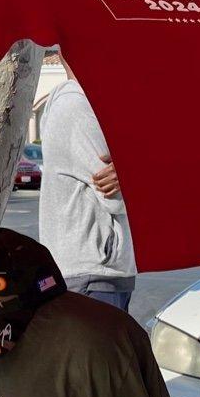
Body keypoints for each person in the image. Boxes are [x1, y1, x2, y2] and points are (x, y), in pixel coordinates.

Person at [38, 63, 136, 311]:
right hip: (91, 274)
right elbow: (115, 197)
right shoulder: (77, 107)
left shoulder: (96, 105)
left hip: (103, 273)